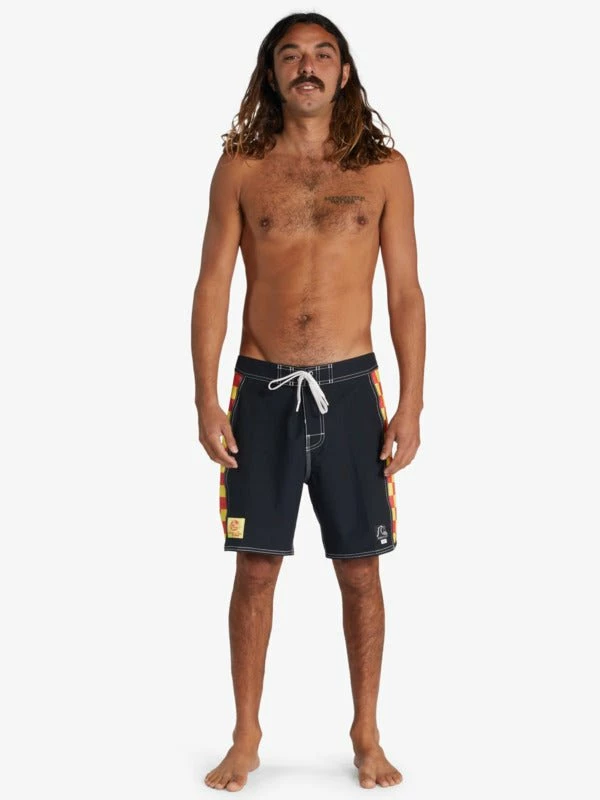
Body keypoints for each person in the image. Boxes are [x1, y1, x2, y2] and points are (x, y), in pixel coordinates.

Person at [191, 11, 425, 792]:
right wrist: (205, 399)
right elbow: (213, 286)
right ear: (272, 73)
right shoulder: (241, 167)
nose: (307, 67)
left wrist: (412, 404)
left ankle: (366, 734)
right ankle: (246, 736)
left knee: (360, 570)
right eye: (291, 55)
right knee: (256, 568)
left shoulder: (384, 169)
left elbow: (406, 293)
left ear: (344, 72)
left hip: (352, 392)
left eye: (323, 54)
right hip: (261, 391)